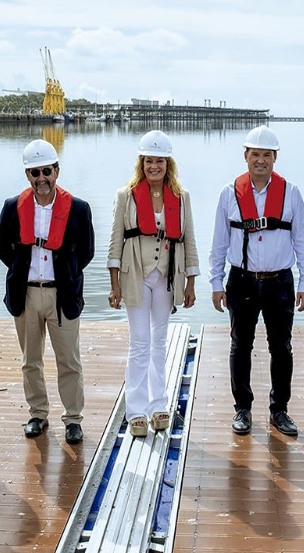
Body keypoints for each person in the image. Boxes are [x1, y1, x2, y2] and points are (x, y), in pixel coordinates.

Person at [209, 125, 304, 437]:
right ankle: (242, 408)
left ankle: (279, 410)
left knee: (281, 347)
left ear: (275, 158)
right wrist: (216, 282)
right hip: (241, 281)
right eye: (255, 154)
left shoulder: (291, 193)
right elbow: (219, 241)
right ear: (245, 156)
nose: (260, 160)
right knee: (240, 345)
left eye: (266, 155)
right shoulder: (229, 193)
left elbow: (303, 240)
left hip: (279, 281)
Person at [0, 139, 94, 444]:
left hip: (61, 294)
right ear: (28, 175)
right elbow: (3, 249)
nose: (42, 178)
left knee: (69, 360)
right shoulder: (13, 207)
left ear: (57, 171)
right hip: (26, 293)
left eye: (47, 171)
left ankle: (73, 418)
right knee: (31, 359)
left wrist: (65, 273)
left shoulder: (78, 209)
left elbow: (87, 252)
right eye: (35, 172)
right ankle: (37, 413)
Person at [107, 130, 199, 437]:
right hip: (136, 275)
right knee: (140, 343)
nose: (154, 166)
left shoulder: (182, 198)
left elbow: (190, 241)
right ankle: (136, 410)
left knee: (160, 342)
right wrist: (114, 283)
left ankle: (160, 405)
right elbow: (115, 242)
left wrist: (191, 283)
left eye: (160, 161)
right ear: (141, 163)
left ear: (168, 163)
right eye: (149, 161)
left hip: (168, 277)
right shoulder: (126, 195)